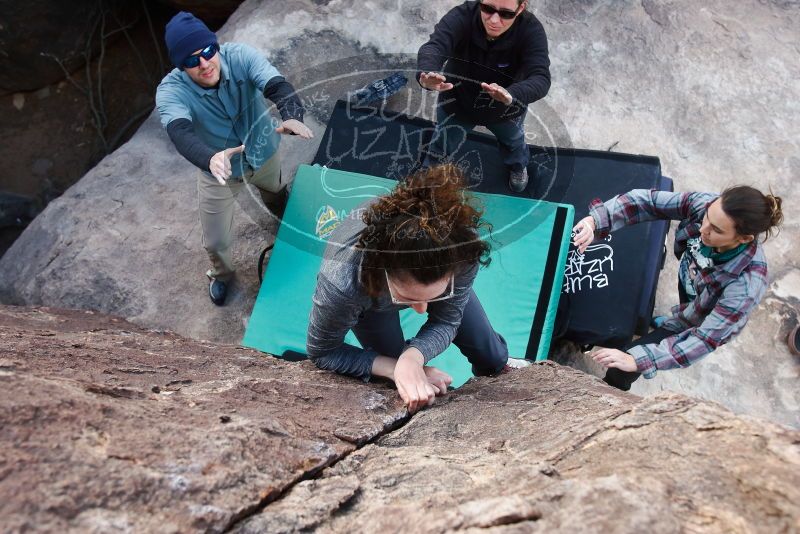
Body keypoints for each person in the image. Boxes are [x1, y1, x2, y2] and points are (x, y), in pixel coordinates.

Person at [306, 165, 528, 413]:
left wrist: (414, 356)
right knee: (395, 369)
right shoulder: (343, 286)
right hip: (370, 293)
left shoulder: (462, 249)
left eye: (434, 295)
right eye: (408, 297)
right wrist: (397, 367)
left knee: (491, 355)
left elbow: (446, 321)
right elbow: (323, 351)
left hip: (421, 268)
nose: (422, 311)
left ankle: (495, 361)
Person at [155, 11, 313, 306]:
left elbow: (276, 84)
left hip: (263, 152)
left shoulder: (241, 56)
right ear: (180, 66)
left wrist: (291, 115)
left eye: (207, 52)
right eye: (191, 61)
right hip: (218, 170)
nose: (203, 64)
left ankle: (280, 209)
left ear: (216, 46)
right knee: (215, 240)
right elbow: (179, 131)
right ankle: (221, 274)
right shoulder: (170, 91)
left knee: (276, 192)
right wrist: (209, 157)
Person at [571, 186, 783, 391]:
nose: (702, 228)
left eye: (716, 230)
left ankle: (609, 391)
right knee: (685, 308)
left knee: (623, 367)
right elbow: (649, 202)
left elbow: (704, 338)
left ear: (744, 239)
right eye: (707, 216)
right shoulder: (708, 205)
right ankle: (676, 320)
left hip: (703, 317)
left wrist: (637, 360)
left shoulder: (745, 287)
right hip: (693, 284)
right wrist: (596, 220)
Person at [417, 0, 550, 193]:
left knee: (514, 143)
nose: (494, 20)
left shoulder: (531, 31)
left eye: (506, 14)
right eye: (487, 9)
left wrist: (512, 94)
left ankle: (517, 167)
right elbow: (435, 46)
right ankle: (431, 169)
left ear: (521, 8)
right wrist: (426, 74)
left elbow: (541, 77)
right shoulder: (461, 16)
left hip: (506, 109)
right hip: (458, 103)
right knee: (442, 142)